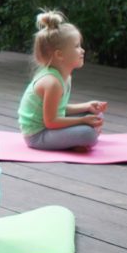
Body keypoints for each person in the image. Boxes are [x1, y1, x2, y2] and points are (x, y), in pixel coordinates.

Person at [17, 10, 106, 151]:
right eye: (77, 46)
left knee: (96, 115)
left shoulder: (65, 77)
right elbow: (51, 122)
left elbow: (59, 109)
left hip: (49, 126)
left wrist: (87, 107)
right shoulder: (52, 83)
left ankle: (74, 141)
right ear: (60, 55)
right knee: (88, 134)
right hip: (37, 136)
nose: (82, 50)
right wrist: (82, 121)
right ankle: (76, 142)